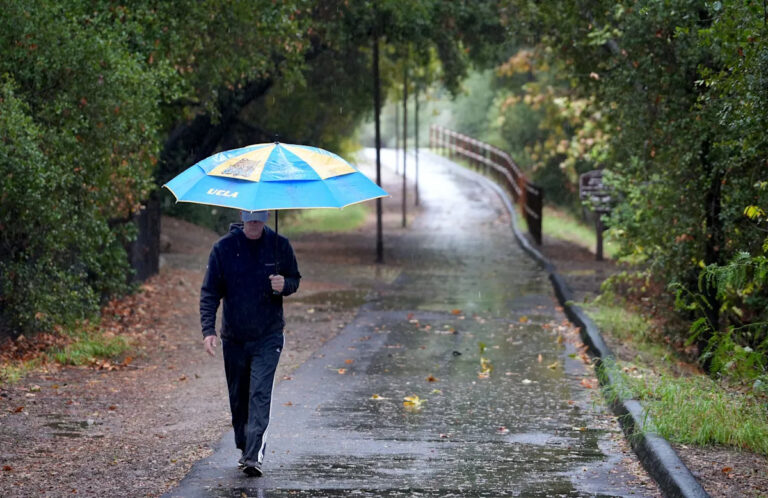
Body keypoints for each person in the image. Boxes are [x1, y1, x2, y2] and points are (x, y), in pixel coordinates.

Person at [199, 210, 301, 477]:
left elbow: (295, 280)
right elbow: (210, 292)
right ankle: (246, 446)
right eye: (250, 216)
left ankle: (254, 455)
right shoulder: (223, 249)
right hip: (234, 337)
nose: (254, 221)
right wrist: (208, 330)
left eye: (259, 216)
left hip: (268, 335)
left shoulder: (280, 245)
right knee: (239, 396)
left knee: (259, 393)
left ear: (267, 216)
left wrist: (283, 284)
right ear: (242, 216)